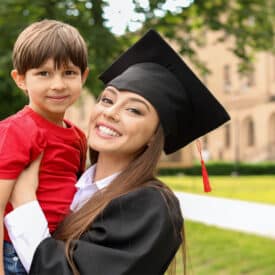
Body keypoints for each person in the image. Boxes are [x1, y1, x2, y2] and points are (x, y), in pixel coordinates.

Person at [5, 29, 230, 275]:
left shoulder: (151, 206)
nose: (110, 113)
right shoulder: (74, 183)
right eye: (107, 100)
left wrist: (25, 201)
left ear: (155, 134)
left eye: (134, 110)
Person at [0, 19, 89, 275]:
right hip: (15, 254)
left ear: (83, 76)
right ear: (20, 79)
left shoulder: (78, 136)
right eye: (43, 73)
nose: (58, 84)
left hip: (56, 250)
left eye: (69, 73)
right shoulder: (16, 131)